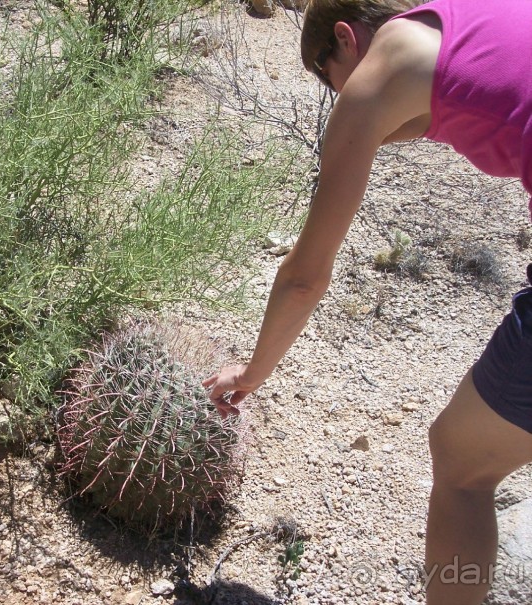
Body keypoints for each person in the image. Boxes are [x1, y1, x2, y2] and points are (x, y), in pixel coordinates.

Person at [202, 1, 532, 604]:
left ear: (347, 39)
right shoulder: (465, 24)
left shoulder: (382, 67)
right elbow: (434, 115)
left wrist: (255, 371)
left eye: (338, 85)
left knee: (463, 467)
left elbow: (305, 276)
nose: (346, 101)